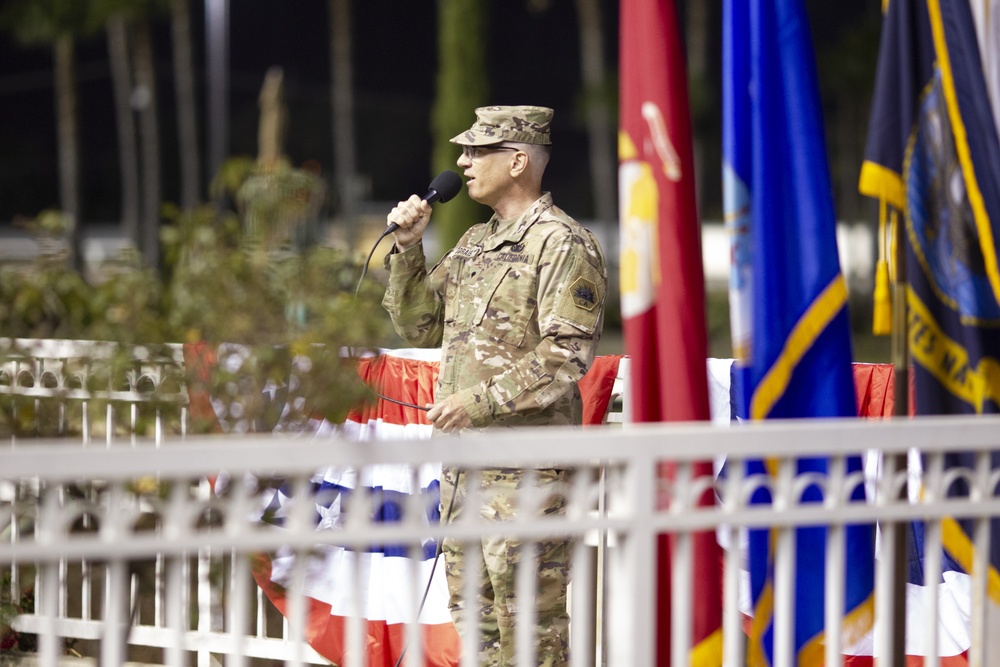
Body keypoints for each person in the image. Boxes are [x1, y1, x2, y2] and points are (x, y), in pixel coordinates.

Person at [381, 105, 607, 666]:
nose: (462, 162)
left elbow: (566, 355)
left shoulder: (562, 243)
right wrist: (409, 249)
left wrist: (477, 403)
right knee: (476, 630)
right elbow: (421, 326)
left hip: (528, 472)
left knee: (532, 631)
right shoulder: (475, 242)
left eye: (476, 152)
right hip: (467, 473)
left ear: (518, 160)